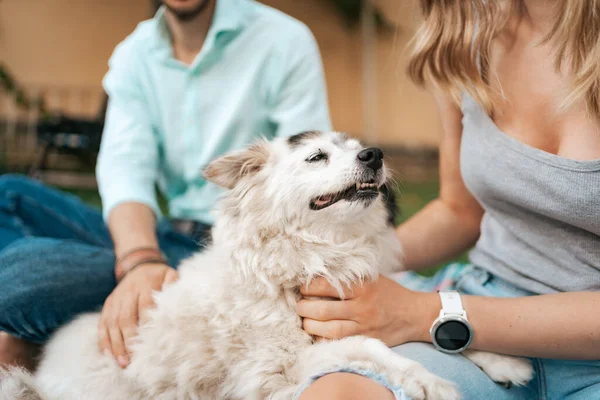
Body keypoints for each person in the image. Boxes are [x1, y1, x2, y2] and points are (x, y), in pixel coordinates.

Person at [0, 0, 331, 370]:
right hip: (160, 238)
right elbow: (125, 170)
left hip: (234, 256)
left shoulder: (284, 40)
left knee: (19, 280)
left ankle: (39, 324)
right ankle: (131, 285)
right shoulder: (134, 54)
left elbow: (309, 178)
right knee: (8, 196)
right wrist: (141, 258)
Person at [296, 0, 600, 399]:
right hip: (484, 316)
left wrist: (423, 314)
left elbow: (418, 313)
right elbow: (459, 212)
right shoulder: (467, 36)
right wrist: (339, 272)